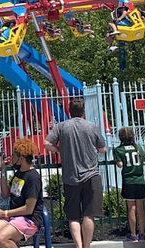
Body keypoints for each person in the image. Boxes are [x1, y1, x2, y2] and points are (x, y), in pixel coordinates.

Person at [45, 98, 106, 248]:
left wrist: (58, 150)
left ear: (69, 111)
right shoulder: (91, 126)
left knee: (73, 216)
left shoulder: (61, 127)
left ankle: (78, 245)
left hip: (70, 176)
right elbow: (103, 148)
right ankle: (86, 246)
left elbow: (46, 143)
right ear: (83, 111)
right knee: (89, 214)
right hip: (91, 174)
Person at [0, 138, 44, 248]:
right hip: (15, 217)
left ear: (21, 158)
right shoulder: (19, 173)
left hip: (29, 219)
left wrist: (4, 213)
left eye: (14, 156)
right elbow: (5, 194)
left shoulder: (33, 178)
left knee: (1, 237)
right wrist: (3, 170)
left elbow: (29, 209)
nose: (11, 158)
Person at [114, 128, 145, 241]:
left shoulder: (119, 150)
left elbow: (120, 165)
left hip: (128, 181)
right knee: (140, 208)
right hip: (140, 181)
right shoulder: (138, 147)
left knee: (131, 208)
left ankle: (133, 234)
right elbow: (144, 162)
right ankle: (142, 233)